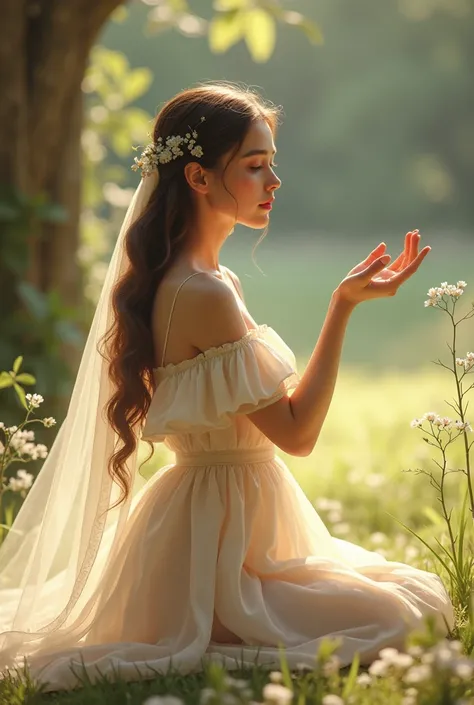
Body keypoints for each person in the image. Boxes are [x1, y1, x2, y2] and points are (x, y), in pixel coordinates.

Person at [0, 81, 454, 693]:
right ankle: (228, 611)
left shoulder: (204, 278)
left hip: (228, 512)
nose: (274, 183)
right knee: (402, 614)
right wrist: (340, 307)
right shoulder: (203, 293)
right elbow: (296, 434)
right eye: (255, 166)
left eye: (273, 165)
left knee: (407, 600)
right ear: (198, 178)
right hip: (218, 531)